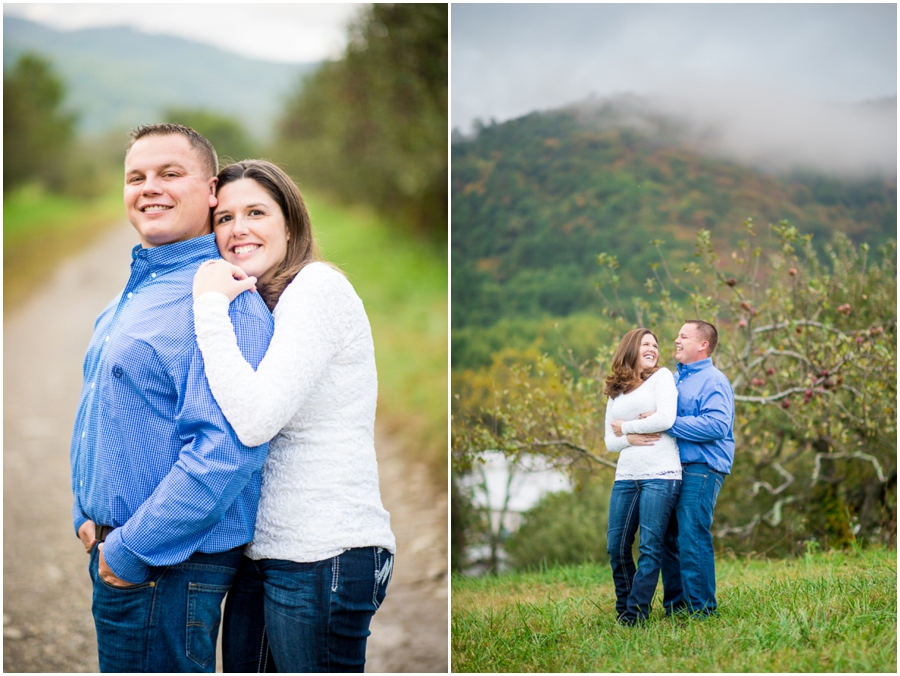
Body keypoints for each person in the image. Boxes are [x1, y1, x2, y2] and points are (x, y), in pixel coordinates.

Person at [69, 124, 275, 672]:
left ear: (211, 190)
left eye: (169, 174)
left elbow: (229, 452)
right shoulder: (135, 293)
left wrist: (131, 550)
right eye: (136, 177)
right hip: (124, 549)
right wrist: (85, 510)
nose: (149, 187)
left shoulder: (225, 298)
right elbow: (103, 409)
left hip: (170, 565)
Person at [191, 160, 396, 673]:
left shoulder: (317, 289)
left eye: (256, 212)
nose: (239, 229)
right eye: (225, 218)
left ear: (290, 223)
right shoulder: (259, 302)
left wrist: (208, 307)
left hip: (323, 550)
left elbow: (257, 419)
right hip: (261, 554)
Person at [604, 328, 682, 625]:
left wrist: (624, 427)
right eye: (646, 344)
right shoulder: (617, 389)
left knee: (650, 547)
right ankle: (624, 606)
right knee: (617, 546)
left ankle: (635, 615)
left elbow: (666, 419)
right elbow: (609, 442)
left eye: (656, 345)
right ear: (630, 348)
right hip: (626, 477)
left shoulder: (662, 378)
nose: (652, 349)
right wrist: (631, 436)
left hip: (661, 474)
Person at [661, 320, 735, 618]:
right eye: (677, 334)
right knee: (669, 537)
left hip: (702, 466)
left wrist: (666, 423)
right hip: (674, 468)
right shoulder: (675, 381)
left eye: (683, 336)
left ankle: (703, 611)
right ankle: (676, 609)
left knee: (691, 533)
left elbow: (717, 425)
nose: (676, 340)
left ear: (703, 344)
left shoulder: (714, 380)